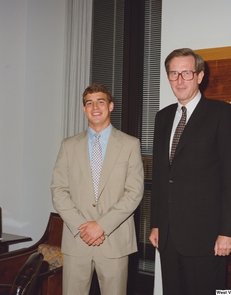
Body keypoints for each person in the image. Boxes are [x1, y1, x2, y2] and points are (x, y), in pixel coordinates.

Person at [149, 48, 231, 295]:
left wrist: (227, 232)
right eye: (173, 74)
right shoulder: (163, 117)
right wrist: (157, 224)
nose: (179, 80)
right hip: (168, 237)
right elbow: (161, 178)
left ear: (200, 76)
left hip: (206, 238)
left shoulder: (222, 114)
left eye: (186, 73)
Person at [51, 83, 144, 295]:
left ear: (110, 106)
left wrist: (101, 226)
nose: (95, 107)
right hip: (77, 241)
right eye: (89, 103)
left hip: (115, 241)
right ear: (84, 109)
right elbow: (58, 190)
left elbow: (134, 192)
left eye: (100, 101)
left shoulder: (130, 145)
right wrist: (82, 227)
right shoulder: (68, 145)